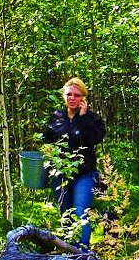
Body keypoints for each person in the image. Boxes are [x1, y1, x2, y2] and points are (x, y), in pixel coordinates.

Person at [42, 77, 106, 247]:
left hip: (84, 174)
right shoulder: (56, 117)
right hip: (60, 174)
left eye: (77, 95)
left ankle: (82, 253)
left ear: (83, 98)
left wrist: (83, 118)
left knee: (80, 212)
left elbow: (96, 138)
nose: (72, 98)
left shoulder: (92, 119)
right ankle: (69, 251)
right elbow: (46, 141)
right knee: (65, 213)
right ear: (64, 96)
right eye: (69, 94)